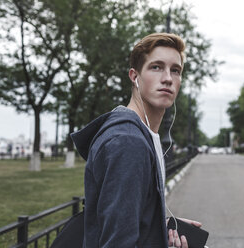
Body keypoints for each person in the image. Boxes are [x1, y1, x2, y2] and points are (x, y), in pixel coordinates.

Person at [71, 33, 201, 248]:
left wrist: (158, 227)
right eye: (156, 67)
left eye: (175, 70)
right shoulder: (128, 142)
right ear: (134, 76)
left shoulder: (140, 134)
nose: (168, 78)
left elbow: (120, 222)